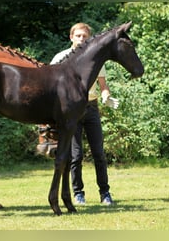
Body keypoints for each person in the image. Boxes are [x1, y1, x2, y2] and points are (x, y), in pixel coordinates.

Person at [50, 22, 119, 205]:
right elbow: (48, 85)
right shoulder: (60, 58)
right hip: (70, 111)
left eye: (85, 36)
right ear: (71, 37)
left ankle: (105, 193)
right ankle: (78, 193)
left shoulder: (96, 59)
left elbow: (103, 86)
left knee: (99, 153)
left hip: (91, 108)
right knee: (76, 155)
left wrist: (106, 97)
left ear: (89, 38)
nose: (81, 39)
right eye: (78, 35)